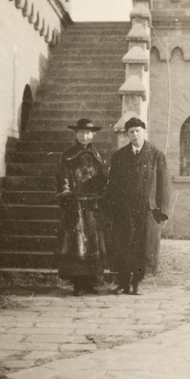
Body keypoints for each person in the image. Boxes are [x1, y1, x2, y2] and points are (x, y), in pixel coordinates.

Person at [105, 117, 171, 295]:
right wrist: (111, 209)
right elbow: (113, 185)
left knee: (143, 248)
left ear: (144, 132)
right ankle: (123, 283)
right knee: (123, 246)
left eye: (138, 131)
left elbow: (164, 185)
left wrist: (162, 212)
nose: (135, 134)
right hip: (124, 211)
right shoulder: (119, 156)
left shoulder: (156, 155)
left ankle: (136, 284)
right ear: (127, 135)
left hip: (147, 211)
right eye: (131, 132)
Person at [55, 118, 107, 296]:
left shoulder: (97, 156)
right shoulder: (68, 155)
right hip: (75, 203)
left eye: (88, 133)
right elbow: (63, 178)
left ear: (92, 135)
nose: (84, 136)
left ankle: (90, 282)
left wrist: (102, 193)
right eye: (81, 133)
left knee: (93, 241)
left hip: (93, 204)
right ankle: (78, 284)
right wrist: (67, 195)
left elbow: (102, 178)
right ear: (76, 134)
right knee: (76, 243)